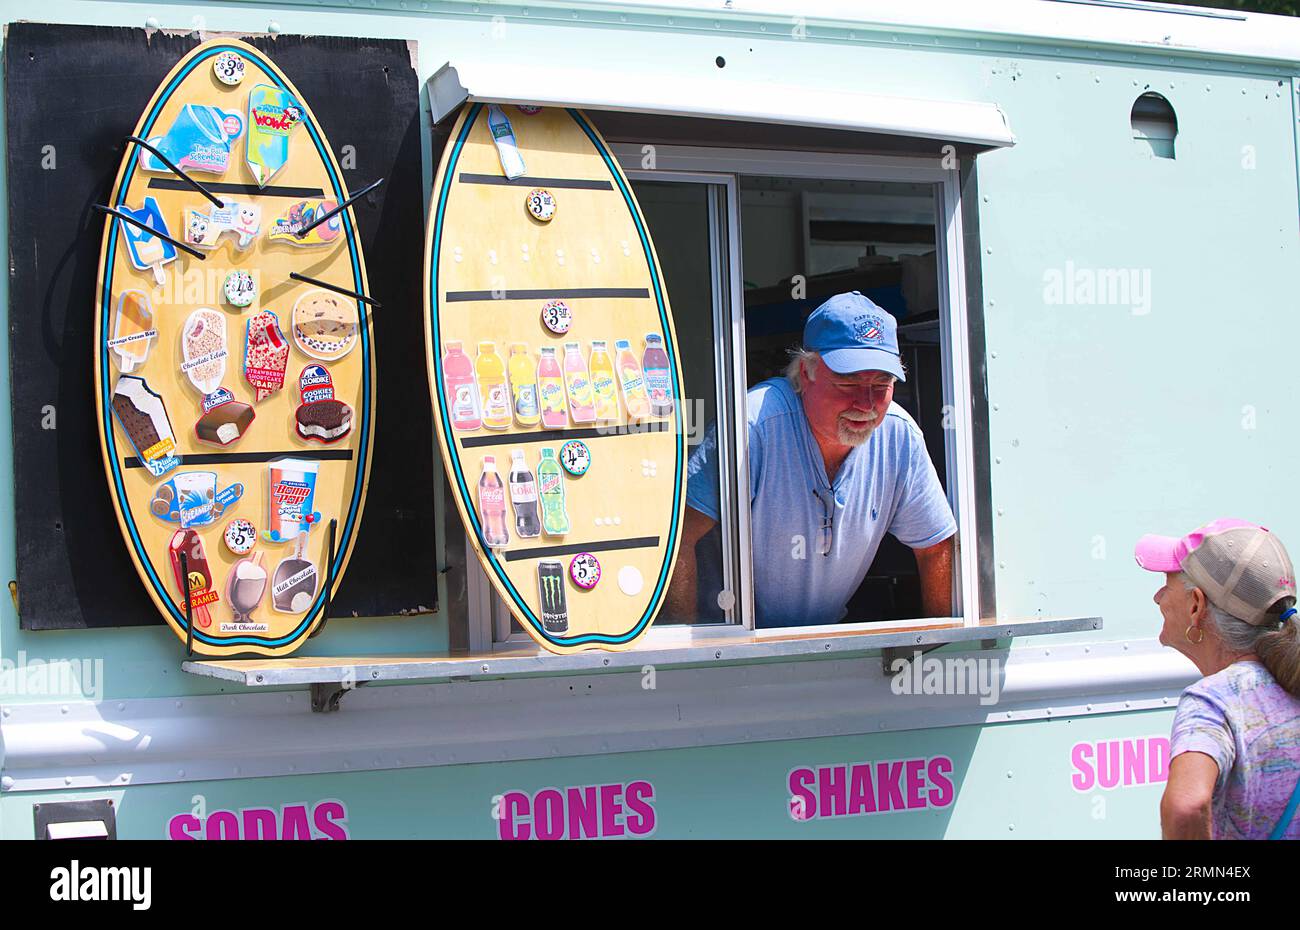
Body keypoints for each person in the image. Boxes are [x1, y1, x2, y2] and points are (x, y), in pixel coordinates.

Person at [668, 292, 956, 628]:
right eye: (848, 381)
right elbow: (679, 536)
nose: (866, 403)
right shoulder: (754, 425)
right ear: (807, 373)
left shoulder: (899, 434)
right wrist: (691, 654)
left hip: (821, 638)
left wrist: (941, 647)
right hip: (726, 642)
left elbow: (935, 546)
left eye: (882, 384)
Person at [1134, 519, 1300, 839]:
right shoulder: (1290, 683)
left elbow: (1187, 806)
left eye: (1168, 583)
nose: (1158, 597)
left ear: (1197, 605)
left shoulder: (1213, 701)